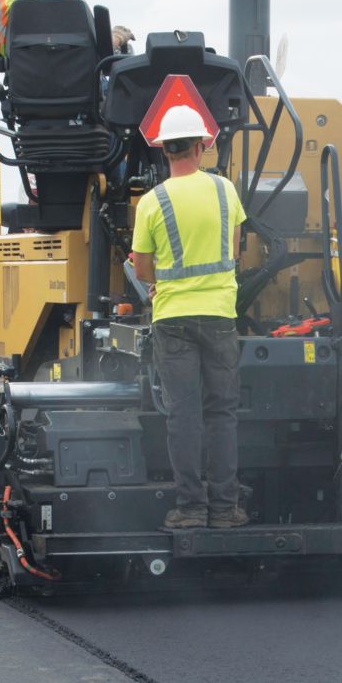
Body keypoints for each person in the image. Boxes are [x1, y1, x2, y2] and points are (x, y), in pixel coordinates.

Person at [129, 104, 244, 530]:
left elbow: (141, 269)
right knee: (222, 413)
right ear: (201, 146)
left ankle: (191, 510)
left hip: (173, 317)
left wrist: (162, 282)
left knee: (184, 414)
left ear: (164, 151)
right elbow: (234, 251)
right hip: (219, 315)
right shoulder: (225, 191)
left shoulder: (151, 202)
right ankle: (226, 510)